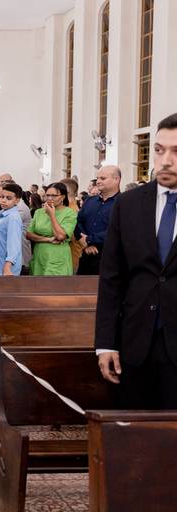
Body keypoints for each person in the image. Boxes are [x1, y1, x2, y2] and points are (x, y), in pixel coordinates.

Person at [96, 113, 177, 408]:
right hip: (136, 342)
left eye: (176, 151)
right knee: (136, 429)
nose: (165, 160)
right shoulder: (128, 204)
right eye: (159, 150)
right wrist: (105, 343)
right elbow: (112, 278)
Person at [75, 166, 121, 275]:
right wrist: (85, 243)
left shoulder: (125, 202)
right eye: (97, 178)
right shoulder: (89, 201)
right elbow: (78, 222)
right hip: (86, 257)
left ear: (116, 179)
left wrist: (89, 239)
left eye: (103, 178)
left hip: (111, 260)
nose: (98, 181)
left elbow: (119, 230)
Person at [26, 182, 77, 276]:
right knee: (37, 283)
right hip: (39, 256)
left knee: (55, 284)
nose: (50, 198)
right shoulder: (39, 212)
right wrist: (48, 239)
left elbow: (60, 236)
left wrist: (52, 215)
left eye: (54, 195)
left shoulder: (69, 213)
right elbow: (28, 234)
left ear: (63, 197)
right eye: (47, 195)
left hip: (58, 257)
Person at [0, 183, 24, 276]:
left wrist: (8, 266)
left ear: (17, 200)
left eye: (8, 198)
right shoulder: (4, 215)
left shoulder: (13, 217)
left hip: (3, 269)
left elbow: (14, 244)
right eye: (2, 197)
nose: (3, 200)